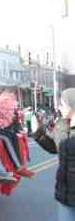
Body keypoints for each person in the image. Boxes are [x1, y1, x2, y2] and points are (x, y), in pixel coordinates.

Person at [33, 88, 75, 221]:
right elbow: (55, 148)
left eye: (62, 104)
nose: (59, 107)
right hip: (65, 192)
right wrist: (38, 134)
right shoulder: (62, 124)